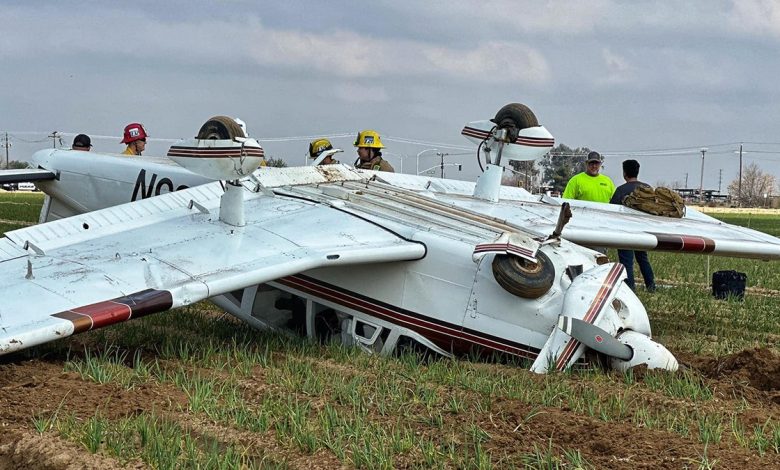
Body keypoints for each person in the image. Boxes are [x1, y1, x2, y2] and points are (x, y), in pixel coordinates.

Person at [610, 159, 656, 292]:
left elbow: (611, 211)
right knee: (643, 259)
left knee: (626, 261)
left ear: (624, 173)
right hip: (643, 230)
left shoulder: (621, 190)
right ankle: (651, 286)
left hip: (625, 231)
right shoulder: (647, 189)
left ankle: (630, 288)